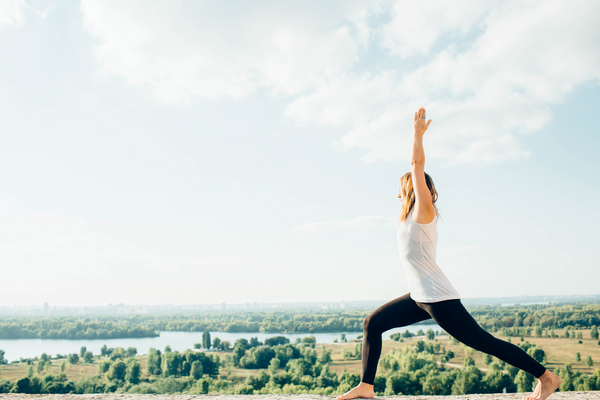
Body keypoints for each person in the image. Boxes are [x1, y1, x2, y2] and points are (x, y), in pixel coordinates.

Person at [336, 107, 562, 400]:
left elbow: (417, 164)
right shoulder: (408, 219)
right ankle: (366, 386)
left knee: (484, 342)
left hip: (438, 298)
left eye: (400, 190)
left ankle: (547, 377)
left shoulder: (423, 212)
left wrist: (416, 135)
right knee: (373, 323)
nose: (397, 195)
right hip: (420, 297)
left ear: (412, 190)